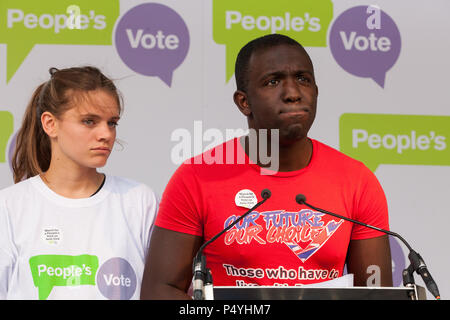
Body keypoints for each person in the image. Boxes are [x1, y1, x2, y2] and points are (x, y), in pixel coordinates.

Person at [141, 34, 392, 299]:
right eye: (273, 81)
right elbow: (159, 290)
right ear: (244, 102)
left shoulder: (358, 182)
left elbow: (376, 293)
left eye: (303, 79)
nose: (293, 93)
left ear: (316, 92)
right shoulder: (196, 178)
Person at [0, 66, 158, 300]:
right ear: (50, 124)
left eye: (112, 122)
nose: (105, 133)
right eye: (89, 121)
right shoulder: (9, 206)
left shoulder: (139, 200)